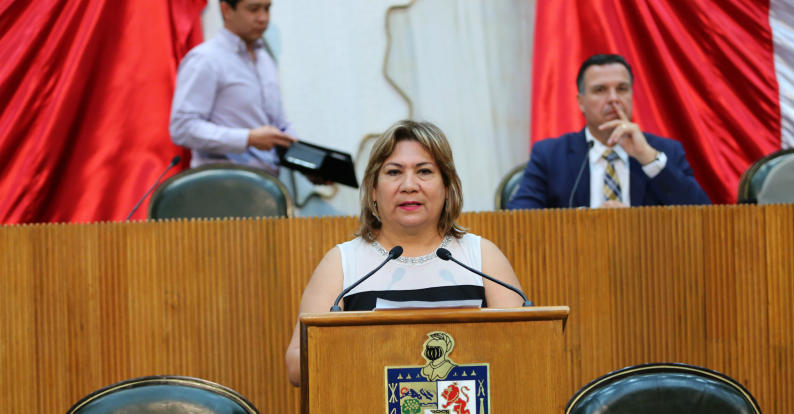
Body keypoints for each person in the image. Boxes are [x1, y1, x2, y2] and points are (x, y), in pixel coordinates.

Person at [284, 120, 525, 386]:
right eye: (394, 172)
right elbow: (296, 367)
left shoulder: (481, 257)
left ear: (447, 187)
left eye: (424, 171)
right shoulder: (342, 263)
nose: (409, 185)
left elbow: (524, 348)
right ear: (373, 190)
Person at [507, 54, 710, 209]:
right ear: (581, 102)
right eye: (600, 90)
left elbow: (702, 216)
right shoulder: (550, 155)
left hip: (647, 253)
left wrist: (647, 158)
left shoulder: (665, 152)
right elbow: (519, 219)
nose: (613, 98)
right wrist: (587, 222)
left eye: (622, 89)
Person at [170, 0, 296, 175]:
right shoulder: (206, 59)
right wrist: (247, 138)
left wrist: (304, 161)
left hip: (267, 183)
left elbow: (278, 125)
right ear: (226, 10)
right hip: (224, 183)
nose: (263, 18)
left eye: (267, 9)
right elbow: (182, 127)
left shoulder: (265, 60)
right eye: (253, 9)